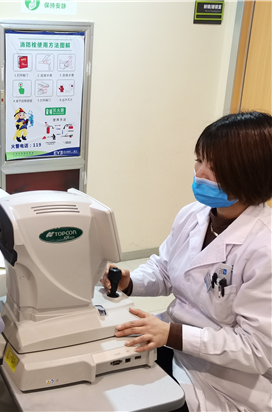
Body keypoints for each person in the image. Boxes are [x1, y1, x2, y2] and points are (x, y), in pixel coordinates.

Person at [101, 111, 272, 411]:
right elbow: (166, 269)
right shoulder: (193, 215)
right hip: (173, 343)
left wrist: (173, 334)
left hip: (225, 380)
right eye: (199, 160)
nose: (200, 173)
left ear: (250, 175)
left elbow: (257, 349)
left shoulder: (264, 246)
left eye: (214, 167)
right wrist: (131, 282)